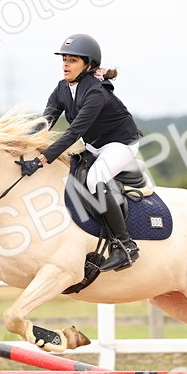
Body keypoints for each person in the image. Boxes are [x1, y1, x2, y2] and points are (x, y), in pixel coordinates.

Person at [18, 33, 142, 272]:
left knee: (96, 179)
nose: (65, 64)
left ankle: (125, 246)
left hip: (120, 144)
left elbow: (74, 132)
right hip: (95, 145)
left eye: (72, 60)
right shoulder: (63, 88)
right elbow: (46, 120)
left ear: (89, 65)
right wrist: (20, 142)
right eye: (64, 59)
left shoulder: (96, 92)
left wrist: (42, 159)